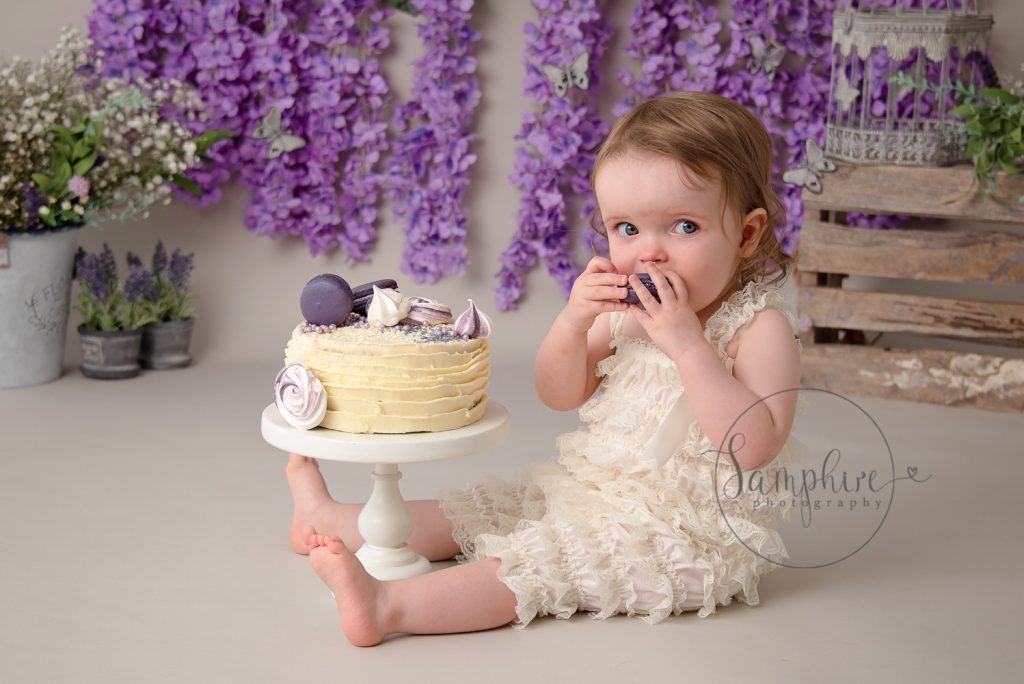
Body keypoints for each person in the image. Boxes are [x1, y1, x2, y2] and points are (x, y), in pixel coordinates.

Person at [286, 91, 802, 647]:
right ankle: (332, 519)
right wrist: (573, 323)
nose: (649, 253)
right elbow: (559, 393)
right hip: (586, 487)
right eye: (627, 229)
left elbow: (753, 447)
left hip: (675, 531)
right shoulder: (624, 316)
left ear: (746, 235)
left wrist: (689, 346)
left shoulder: (757, 329)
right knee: (489, 506)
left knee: (547, 559)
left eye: (682, 227)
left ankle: (389, 605)